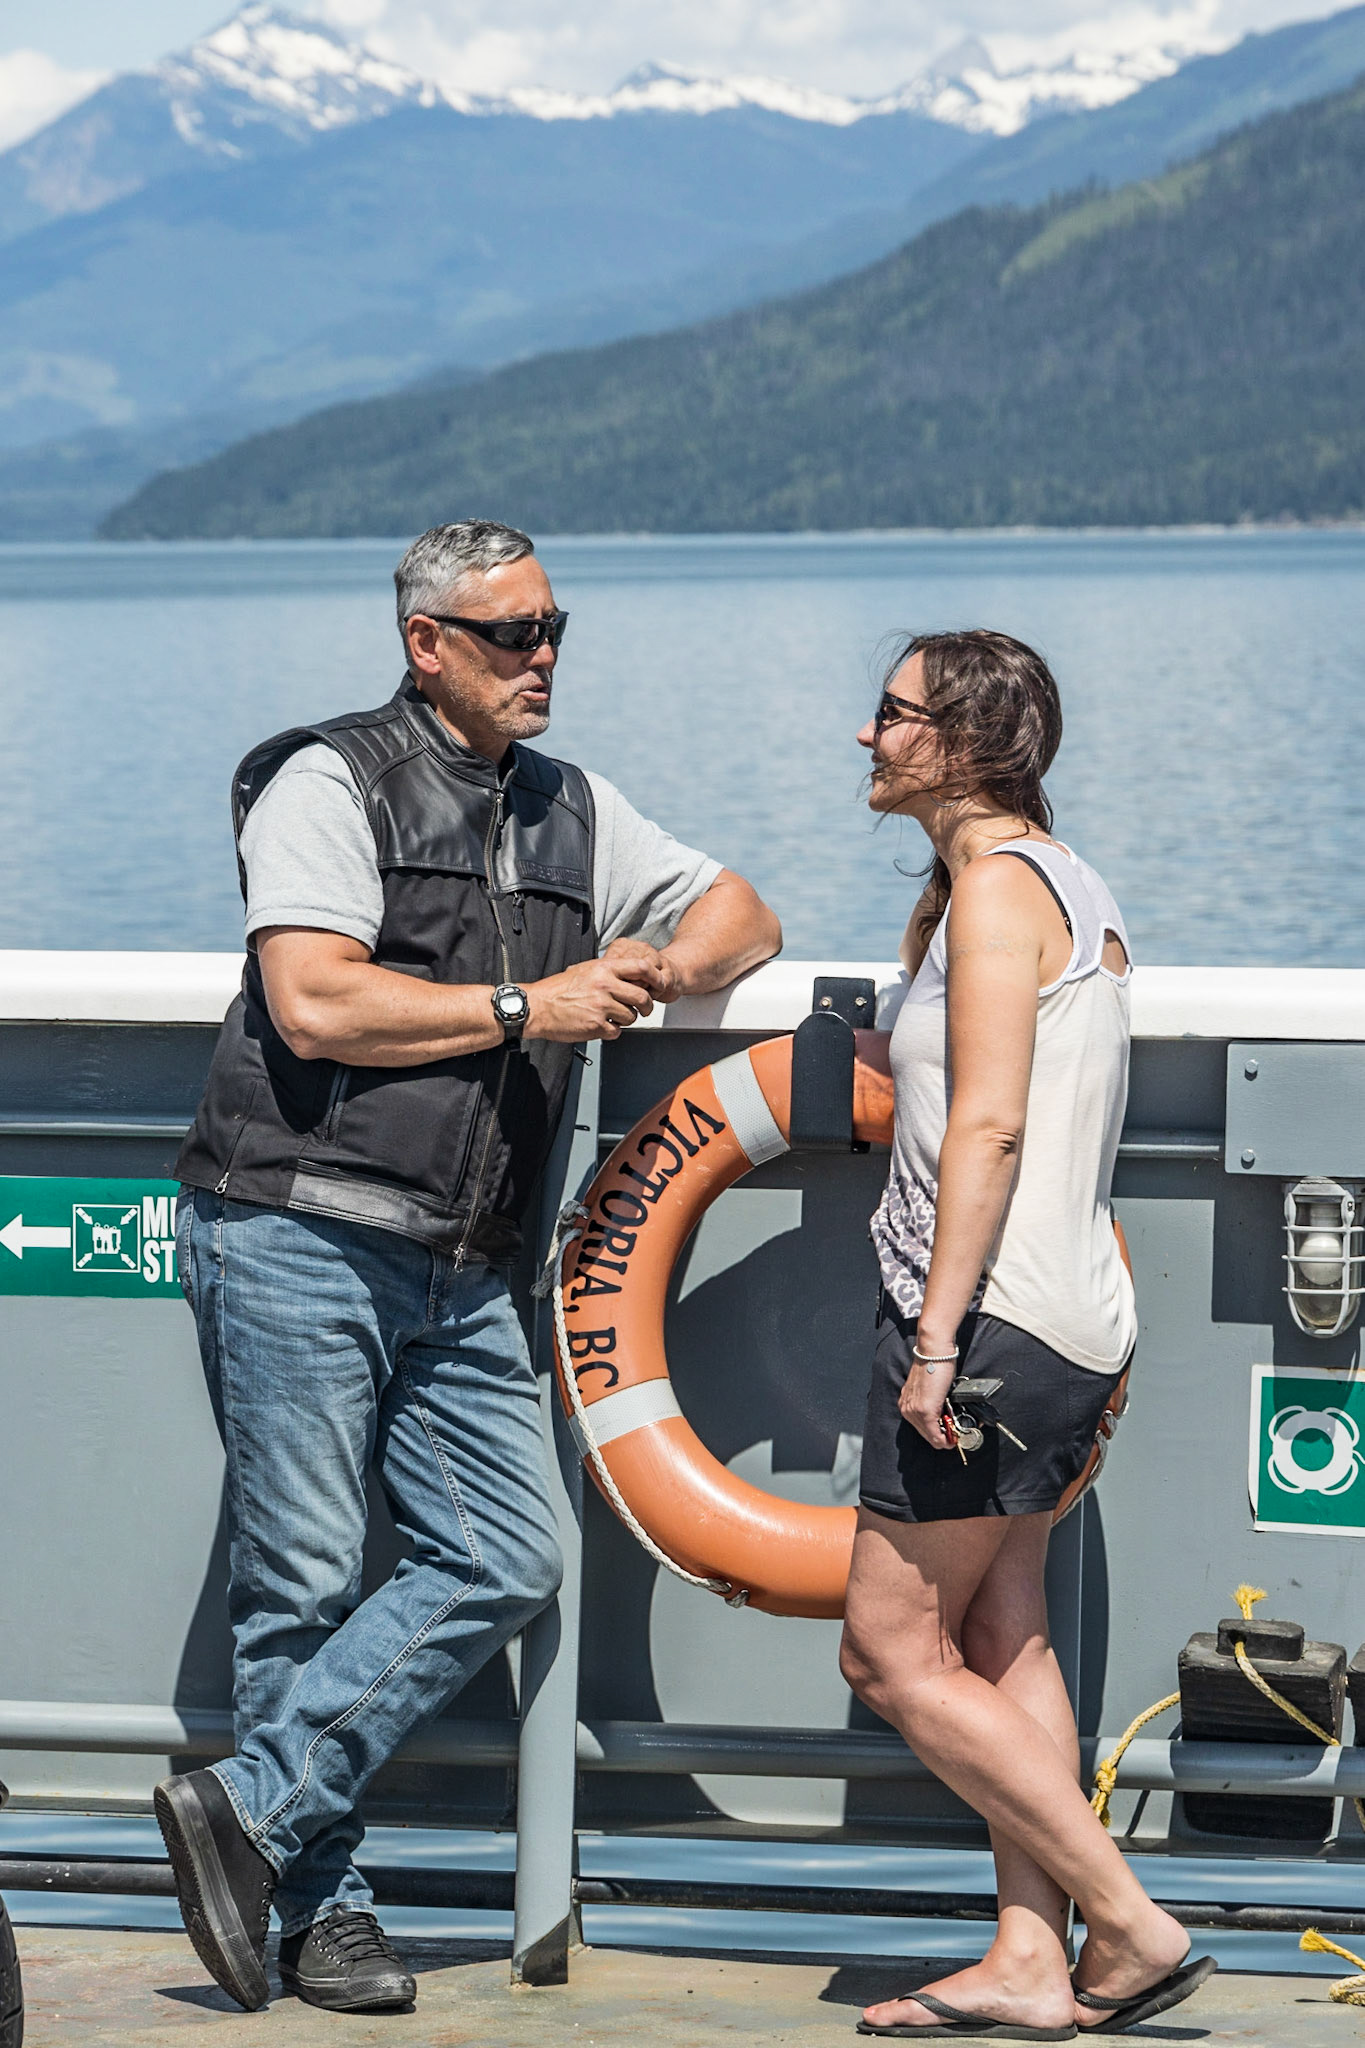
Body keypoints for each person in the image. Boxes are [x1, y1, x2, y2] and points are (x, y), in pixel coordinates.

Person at [156, 519, 781, 2016]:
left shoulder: (573, 806)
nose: (543, 656)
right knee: (303, 1583)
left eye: (555, 628)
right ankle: (323, 1915)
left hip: (467, 1255)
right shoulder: (327, 780)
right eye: (511, 634)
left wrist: (657, 969)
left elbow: (744, 912)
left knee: (507, 1553)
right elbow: (314, 1004)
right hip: (299, 1223)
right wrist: (529, 1005)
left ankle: (250, 1807)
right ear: (427, 644)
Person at [839, 630, 1214, 2041]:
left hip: (991, 1321)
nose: (867, 736)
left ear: (963, 741)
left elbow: (989, 1128)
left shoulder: (997, 893)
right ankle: (1027, 1960)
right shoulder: (1053, 879)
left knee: (886, 1654)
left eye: (893, 715)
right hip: (1069, 1317)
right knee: (1004, 1634)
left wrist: (935, 1342)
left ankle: (1127, 1922)